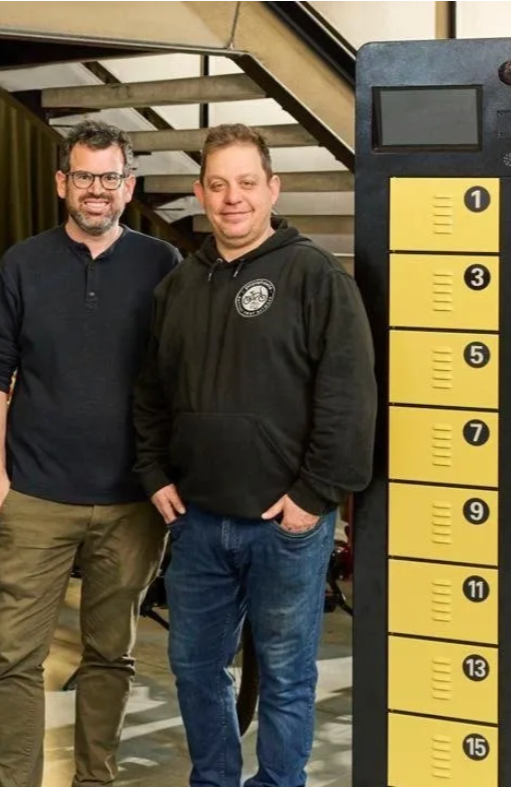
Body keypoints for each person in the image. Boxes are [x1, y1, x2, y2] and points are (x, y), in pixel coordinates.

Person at [133, 123, 376, 787]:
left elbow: (348, 397)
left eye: (245, 183)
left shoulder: (313, 277)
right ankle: (213, 779)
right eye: (217, 185)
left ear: (272, 188)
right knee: (192, 666)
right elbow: (149, 393)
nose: (231, 198)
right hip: (198, 524)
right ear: (199, 193)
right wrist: (154, 475)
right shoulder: (178, 288)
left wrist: (311, 497)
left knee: (288, 674)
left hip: (284, 527)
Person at [0, 119, 181, 787]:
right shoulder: (22, 263)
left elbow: (180, 377)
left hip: (130, 504)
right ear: (62, 182)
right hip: (34, 495)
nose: (98, 190)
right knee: (13, 659)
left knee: (111, 656)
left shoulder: (161, 265)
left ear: (130, 186)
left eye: (110, 177)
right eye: (85, 176)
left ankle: (96, 779)